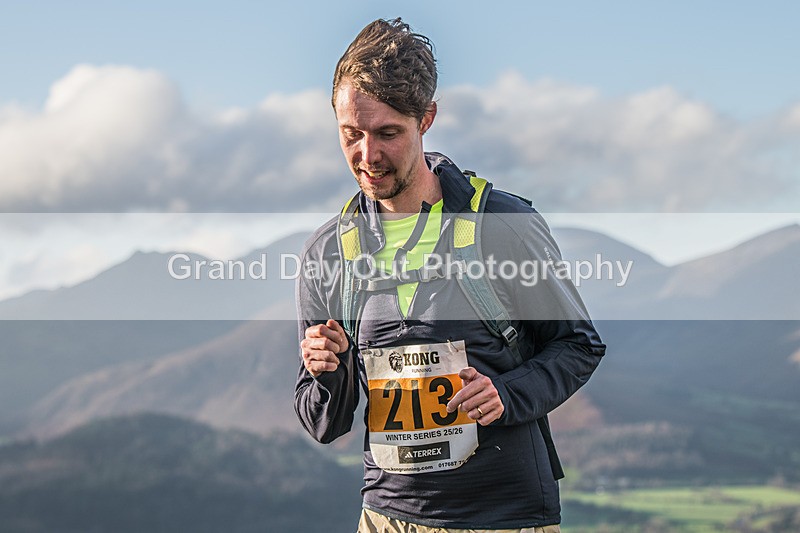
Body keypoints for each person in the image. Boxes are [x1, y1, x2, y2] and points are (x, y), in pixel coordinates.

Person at [294, 18, 605, 533]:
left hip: (505, 517)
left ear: (427, 119)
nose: (367, 156)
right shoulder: (328, 252)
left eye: (387, 133)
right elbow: (323, 422)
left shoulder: (503, 226)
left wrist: (505, 393)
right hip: (386, 517)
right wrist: (329, 371)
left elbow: (578, 346)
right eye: (351, 134)